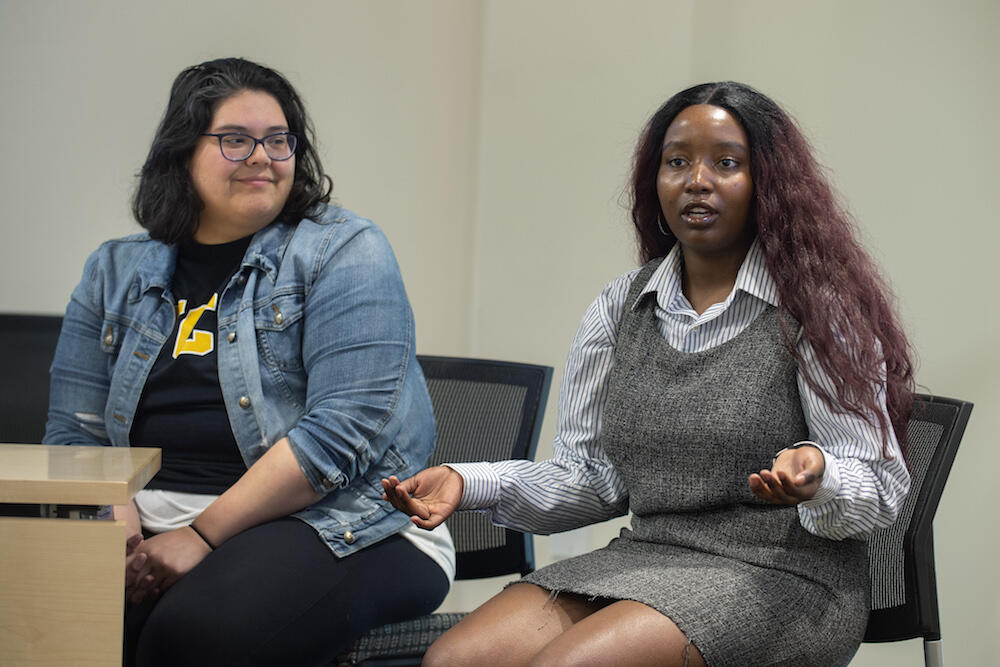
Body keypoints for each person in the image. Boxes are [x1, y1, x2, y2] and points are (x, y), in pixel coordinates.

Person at [383, 81, 914, 667]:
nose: (697, 180)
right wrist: (468, 481)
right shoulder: (621, 305)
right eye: (677, 162)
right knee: (452, 660)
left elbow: (880, 489)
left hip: (786, 576)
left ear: (770, 183)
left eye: (727, 163)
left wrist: (822, 475)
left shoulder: (818, 309)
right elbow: (592, 479)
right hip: (647, 557)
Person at [44, 57, 454, 666]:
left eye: (278, 139)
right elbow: (74, 431)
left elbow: (337, 437)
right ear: (182, 153)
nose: (262, 156)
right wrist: (116, 525)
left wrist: (201, 536)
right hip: (148, 515)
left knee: (193, 633)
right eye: (235, 140)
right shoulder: (114, 269)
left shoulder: (345, 249)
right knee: (47, 611)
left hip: (342, 519)